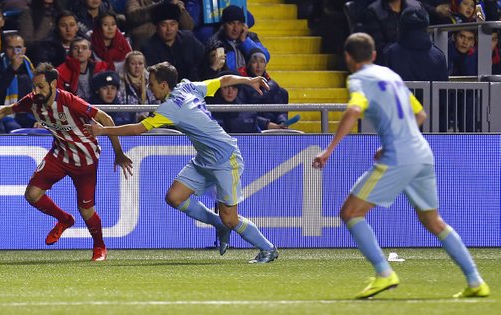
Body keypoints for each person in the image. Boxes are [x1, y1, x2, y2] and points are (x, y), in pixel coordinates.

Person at [312, 32, 489, 299]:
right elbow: (420, 114)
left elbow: (353, 110)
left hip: (399, 157)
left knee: (350, 213)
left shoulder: (358, 79)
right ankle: (475, 280)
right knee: (434, 221)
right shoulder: (390, 75)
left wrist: (329, 149)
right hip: (422, 153)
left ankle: (384, 273)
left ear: (348, 58)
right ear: (373, 55)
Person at [85, 61, 279, 263]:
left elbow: (137, 129)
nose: (149, 88)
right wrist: (249, 80)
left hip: (225, 159)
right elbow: (223, 80)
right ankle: (219, 224)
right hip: (205, 158)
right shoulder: (188, 86)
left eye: (151, 84)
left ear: (163, 85)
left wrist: (103, 130)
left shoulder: (169, 108)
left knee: (230, 218)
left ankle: (267, 249)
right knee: (175, 197)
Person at [0, 62, 134, 261]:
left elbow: (106, 119)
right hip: (59, 155)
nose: (36, 91)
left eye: (41, 86)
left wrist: (118, 152)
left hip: (85, 159)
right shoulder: (32, 101)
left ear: (53, 85)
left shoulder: (69, 101)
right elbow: (4, 111)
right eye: (34, 86)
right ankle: (64, 219)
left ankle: (99, 246)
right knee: (31, 194)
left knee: (86, 209)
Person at [141, 2, 205, 81]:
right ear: (156, 27)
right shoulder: (148, 47)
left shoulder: (188, 38)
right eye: (164, 25)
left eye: (172, 24)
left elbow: (203, 59)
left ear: (178, 25)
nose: (169, 29)